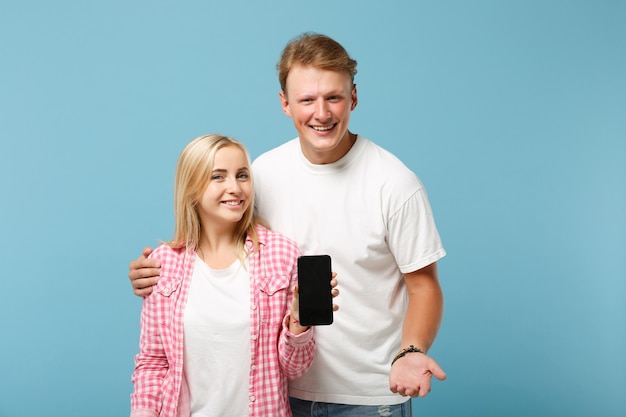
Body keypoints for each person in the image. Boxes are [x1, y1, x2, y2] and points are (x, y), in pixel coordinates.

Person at [130, 33, 446, 417]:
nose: (322, 113)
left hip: (369, 394)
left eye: (334, 97)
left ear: (354, 98)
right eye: (307, 100)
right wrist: (159, 270)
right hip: (280, 393)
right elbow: (220, 247)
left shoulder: (394, 183)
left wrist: (411, 351)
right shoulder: (261, 174)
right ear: (285, 104)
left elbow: (424, 285)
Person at [129, 133, 338, 417]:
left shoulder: (281, 255)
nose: (235, 187)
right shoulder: (162, 264)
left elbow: (296, 368)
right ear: (191, 188)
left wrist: (299, 324)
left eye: (242, 175)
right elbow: (153, 362)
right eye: (218, 177)